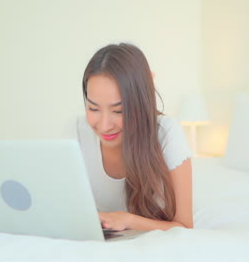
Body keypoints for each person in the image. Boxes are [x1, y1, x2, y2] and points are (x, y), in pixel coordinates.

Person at [67, 43, 193, 231]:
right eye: (93, 108)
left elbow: (184, 226)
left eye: (119, 110)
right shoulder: (76, 131)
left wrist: (128, 221)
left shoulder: (166, 133)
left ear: (141, 103)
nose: (104, 125)